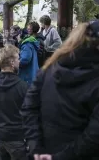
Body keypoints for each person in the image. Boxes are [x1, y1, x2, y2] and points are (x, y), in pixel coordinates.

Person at [22, 20, 99, 160]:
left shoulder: (48, 69)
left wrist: (35, 148)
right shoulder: (48, 69)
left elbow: (28, 109)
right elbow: (93, 137)